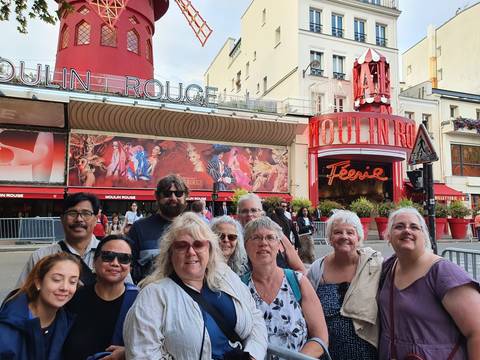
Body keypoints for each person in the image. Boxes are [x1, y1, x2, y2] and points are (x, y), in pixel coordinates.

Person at [123, 213, 268, 360]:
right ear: (170, 253)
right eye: (181, 246)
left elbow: (255, 318)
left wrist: (253, 355)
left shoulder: (226, 276)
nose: (191, 252)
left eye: (198, 244)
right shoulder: (153, 295)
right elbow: (143, 354)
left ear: (210, 250)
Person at [378, 207, 480, 359]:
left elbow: (477, 331)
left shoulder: (443, 272)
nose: (407, 230)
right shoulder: (388, 267)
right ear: (388, 236)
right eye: (399, 226)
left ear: (424, 236)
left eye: (414, 227)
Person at [242, 217, 329, 358]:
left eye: (270, 237)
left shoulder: (297, 282)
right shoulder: (240, 287)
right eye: (256, 238)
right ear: (246, 246)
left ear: (279, 246)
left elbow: (320, 338)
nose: (263, 243)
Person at [307, 210, 383, 360]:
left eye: (350, 232)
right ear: (329, 237)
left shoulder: (374, 266)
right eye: (337, 232)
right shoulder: (317, 269)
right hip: (327, 353)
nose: (344, 236)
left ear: (359, 237)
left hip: (367, 353)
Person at [63, 235, 138, 360]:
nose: (115, 263)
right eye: (108, 256)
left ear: (130, 266)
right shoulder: (72, 297)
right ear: (94, 261)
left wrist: (129, 352)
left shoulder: (140, 302)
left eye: (124, 259)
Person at [0, 252, 81, 360]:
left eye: (72, 282)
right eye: (56, 279)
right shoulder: (6, 326)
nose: (65, 287)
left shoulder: (68, 322)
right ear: (38, 282)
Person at [17, 192, 101, 287]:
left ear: (96, 219)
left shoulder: (110, 255)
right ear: (62, 219)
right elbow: (20, 296)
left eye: (86, 213)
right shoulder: (41, 257)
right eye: (72, 213)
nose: (79, 219)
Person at [128, 174, 188, 283]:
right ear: (157, 196)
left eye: (178, 193)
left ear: (185, 197)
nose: (173, 198)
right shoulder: (139, 228)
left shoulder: (194, 229)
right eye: (167, 194)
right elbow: (127, 267)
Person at [237, 193, 305, 273]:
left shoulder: (277, 235)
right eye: (244, 211)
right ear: (238, 215)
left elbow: (300, 270)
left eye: (254, 210)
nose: (249, 214)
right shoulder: (232, 240)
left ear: (262, 213)